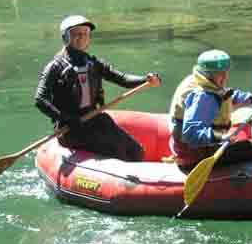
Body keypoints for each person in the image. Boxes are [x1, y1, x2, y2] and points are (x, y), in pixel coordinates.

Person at [35, 15, 161, 161]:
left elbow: (122, 79)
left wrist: (145, 79)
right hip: (71, 129)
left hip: (95, 119)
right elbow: (40, 99)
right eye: (77, 34)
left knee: (136, 151)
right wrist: (66, 119)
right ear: (66, 37)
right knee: (117, 152)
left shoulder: (93, 63)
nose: (82, 37)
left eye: (86, 33)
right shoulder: (55, 67)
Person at [170, 50, 252, 170]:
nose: (225, 77)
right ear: (208, 74)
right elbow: (191, 134)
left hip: (200, 148)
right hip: (196, 157)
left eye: (225, 72)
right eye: (220, 74)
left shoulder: (203, 81)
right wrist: (220, 137)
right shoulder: (203, 97)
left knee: (243, 146)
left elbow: (227, 95)